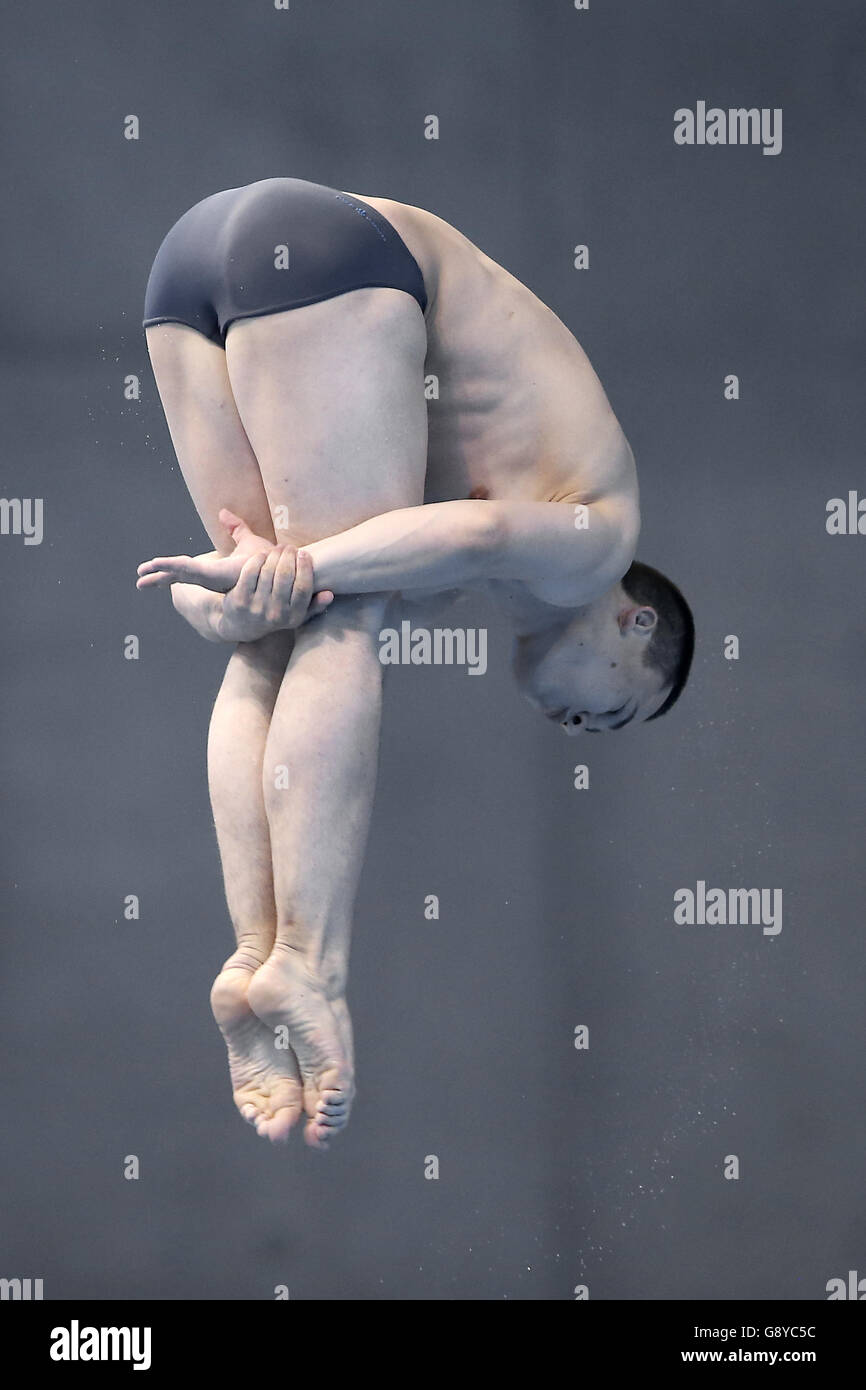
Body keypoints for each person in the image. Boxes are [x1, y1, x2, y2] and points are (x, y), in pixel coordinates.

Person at [136, 176, 694, 1149]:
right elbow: (476, 529)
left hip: (187, 266)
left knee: (276, 631)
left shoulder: (428, 577)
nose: (573, 727)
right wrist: (300, 572)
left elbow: (219, 587)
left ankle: (255, 954)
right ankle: (311, 963)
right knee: (338, 615)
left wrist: (233, 600)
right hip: (328, 250)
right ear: (633, 626)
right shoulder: (598, 543)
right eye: (607, 711)